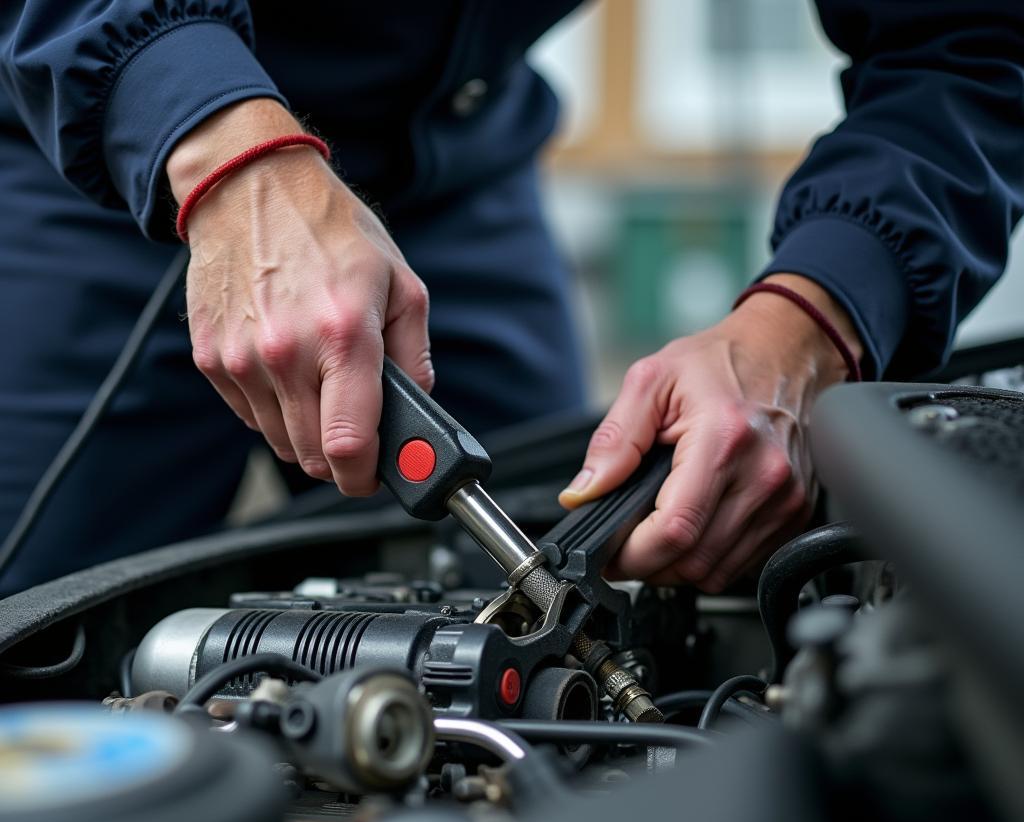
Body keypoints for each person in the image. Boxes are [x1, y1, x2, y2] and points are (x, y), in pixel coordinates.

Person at [0, 2, 1020, 597]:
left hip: (457, 163)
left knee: (575, 577)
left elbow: (970, 39)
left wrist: (814, 314)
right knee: (36, 626)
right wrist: (218, 143)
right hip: (100, 138)